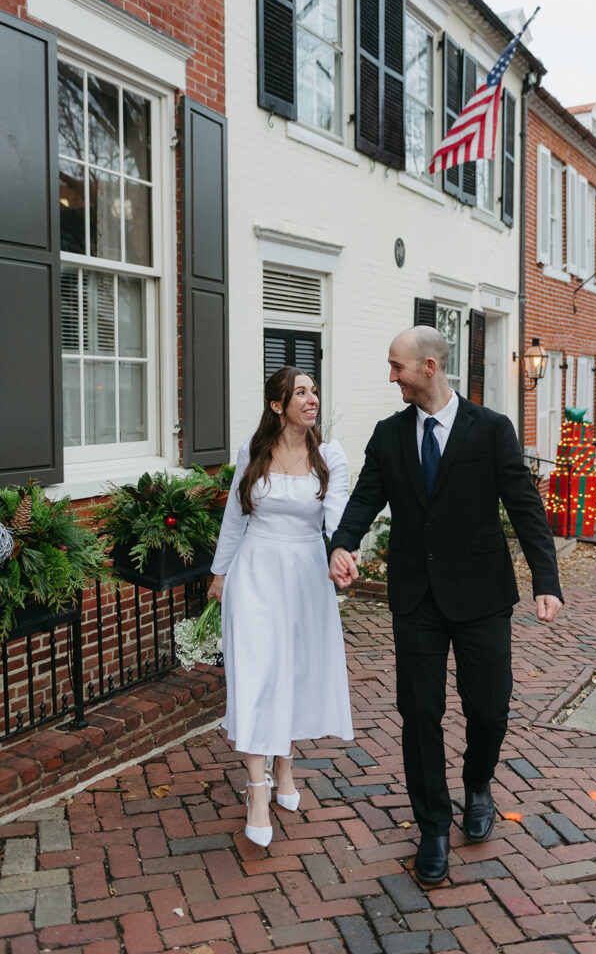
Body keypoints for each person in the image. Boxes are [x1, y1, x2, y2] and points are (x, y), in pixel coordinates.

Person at [328, 326, 562, 886]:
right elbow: (366, 496)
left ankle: (478, 784)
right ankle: (432, 826)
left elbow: (525, 507)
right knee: (419, 713)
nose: (392, 377)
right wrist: (341, 543)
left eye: (397, 367)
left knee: (488, 710)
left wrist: (546, 580)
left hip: (482, 596)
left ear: (429, 367)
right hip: (415, 597)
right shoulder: (388, 434)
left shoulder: (492, 430)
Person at [208, 366, 353, 848]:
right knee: (255, 674)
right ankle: (256, 788)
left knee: (291, 673)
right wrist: (220, 573)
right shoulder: (252, 451)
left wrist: (343, 553)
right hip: (255, 570)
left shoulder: (330, 456)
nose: (312, 399)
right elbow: (235, 515)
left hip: (306, 576)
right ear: (278, 405)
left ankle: (285, 766)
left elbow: (339, 517)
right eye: (301, 393)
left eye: (314, 391)